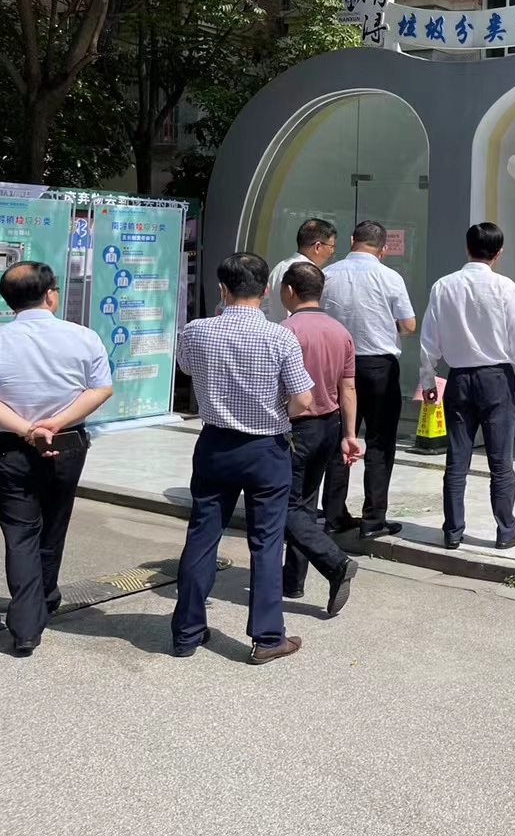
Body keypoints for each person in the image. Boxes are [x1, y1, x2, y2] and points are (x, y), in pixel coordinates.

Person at [173, 253, 314, 664]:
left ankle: (186, 632)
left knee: (202, 534)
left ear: (222, 289)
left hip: (215, 443)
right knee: (266, 542)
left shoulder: (196, 331)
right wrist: (278, 413)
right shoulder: (280, 337)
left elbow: (187, 369)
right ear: (266, 289)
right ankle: (267, 637)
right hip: (266, 448)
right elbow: (303, 399)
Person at [0, 262, 114, 656]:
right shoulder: (83, 337)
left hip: (12, 447)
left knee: (20, 532)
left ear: (9, 301)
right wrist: (56, 423)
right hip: (66, 443)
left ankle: (26, 627)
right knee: (54, 521)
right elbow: (101, 389)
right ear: (51, 295)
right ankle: (45, 597)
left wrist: (28, 430)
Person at [420, 222, 515, 550]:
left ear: (467, 248)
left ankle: (452, 531)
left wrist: (428, 378)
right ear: (499, 253)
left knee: (457, 458)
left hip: (458, 377)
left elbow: (430, 338)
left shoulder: (443, 286)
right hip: (496, 378)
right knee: (500, 461)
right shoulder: (504, 287)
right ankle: (506, 531)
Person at [320, 220, 416, 539]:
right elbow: (409, 324)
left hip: (338, 366)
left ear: (352, 240)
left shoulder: (328, 274)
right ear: (383, 248)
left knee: (339, 440)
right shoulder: (389, 276)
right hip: (379, 367)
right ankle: (374, 519)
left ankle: (334, 515)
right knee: (380, 441)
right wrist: (387, 326)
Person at [278, 262, 362, 615]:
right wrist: (349, 434)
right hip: (329, 425)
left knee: (283, 506)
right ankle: (293, 580)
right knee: (306, 505)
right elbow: (348, 387)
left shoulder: (285, 331)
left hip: (296, 427)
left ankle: (335, 563)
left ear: (290, 291)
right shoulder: (340, 331)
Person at [263, 218, 338, 323]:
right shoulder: (309, 274)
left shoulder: (279, 267)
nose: (332, 251)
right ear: (317, 247)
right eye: (331, 246)